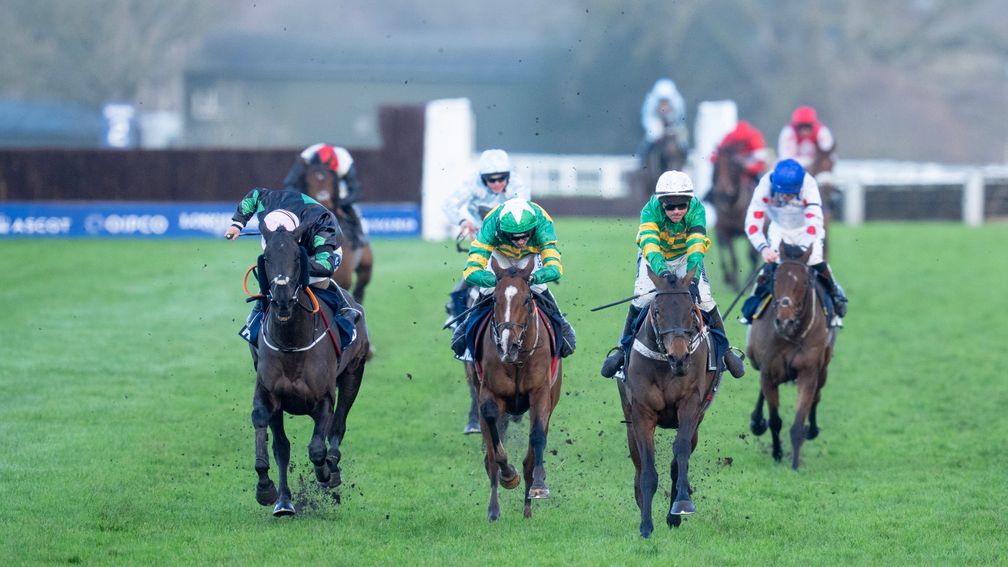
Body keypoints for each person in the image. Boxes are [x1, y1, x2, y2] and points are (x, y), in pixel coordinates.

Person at [600, 171, 746, 380]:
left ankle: (724, 350)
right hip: (655, 257)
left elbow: (696, 246)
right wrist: (663, 273)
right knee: (643, 297)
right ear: (662, 204)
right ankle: (623, 351)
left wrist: (693, 281)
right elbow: (650, 246)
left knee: (704, 300)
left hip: (687, 256)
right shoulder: (649, 211)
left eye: (681, 205)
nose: (676, 211)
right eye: (670, 206)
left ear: (689, 202)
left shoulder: (697, 209)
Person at [225, 187, 354, 363]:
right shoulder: (268, 201)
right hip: (281, 247)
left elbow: (326, 265)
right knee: (268, 267)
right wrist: (237, 223)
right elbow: (253, 196)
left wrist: (292, 268)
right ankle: (258, 312)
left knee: (315, 282)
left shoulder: (322, 221)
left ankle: (343, 309)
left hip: (320, 253)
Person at [450, 198, 575, 359]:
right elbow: (471, 269)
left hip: (529, 256)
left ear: (533, 228)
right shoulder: (491, 223)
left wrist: (536, 277)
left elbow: (554, 268)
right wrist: (492, 281)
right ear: (503, 231)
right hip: (499, 254)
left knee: (540, 288)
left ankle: (562, 325)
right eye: (515, 237)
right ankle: (467, 324)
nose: (521, 241)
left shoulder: (543, 221)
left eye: (525, 236)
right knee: (487, 290)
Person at [738, 159, 848, 327]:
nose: (785, 197)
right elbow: (752, 223)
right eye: (782, 193)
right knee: (771, 265)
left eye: (790, 193)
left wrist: (802, 249)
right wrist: (764, 248)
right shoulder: (765, 185)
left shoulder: (809, 184)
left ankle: (834, 296)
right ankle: (754, 305)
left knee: (814, 261)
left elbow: (814, 223)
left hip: (807, 229)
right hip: (779, 228)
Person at [442, 149, 530, 322]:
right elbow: (448, 204)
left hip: (514, 243)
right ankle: (459, 322)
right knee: (464, 287)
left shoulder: (519, 186)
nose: (497, 183)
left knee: (539, 287)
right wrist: (462, 222)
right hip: (483, 243)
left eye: (502, 178)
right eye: (491, 179)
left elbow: (524, 216)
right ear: (482, 178)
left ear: (509, 176)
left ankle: (560, 327)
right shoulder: (472, 183)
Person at [282, 143, 368, 248]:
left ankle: (358, 239)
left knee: (352, 212)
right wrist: (304, 201)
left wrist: (339, 205)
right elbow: (290, 183)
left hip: (336, 192)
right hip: (308, 190)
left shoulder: (345, 161)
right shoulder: (305, 159)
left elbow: (356, 191)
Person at [639, 78, 689, 164]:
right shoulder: (651, 103)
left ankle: (685, 159)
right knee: (651, 139)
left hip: (673, 124)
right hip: (656, 124)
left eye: (666, 101)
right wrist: (657, 129)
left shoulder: (678, 103)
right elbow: (648, 119)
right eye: (662, 101)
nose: (664, 105)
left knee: (682, 143)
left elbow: (680, 119)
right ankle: (643, 160)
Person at [777, 106, 835, 177]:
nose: (804, 131)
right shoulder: (788, 133)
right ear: (796, 126)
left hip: (816, 168)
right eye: (801, 127)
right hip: (795, 171)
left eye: (808, 126)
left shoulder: (822, 132)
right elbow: (786, 159)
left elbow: (828, 154)